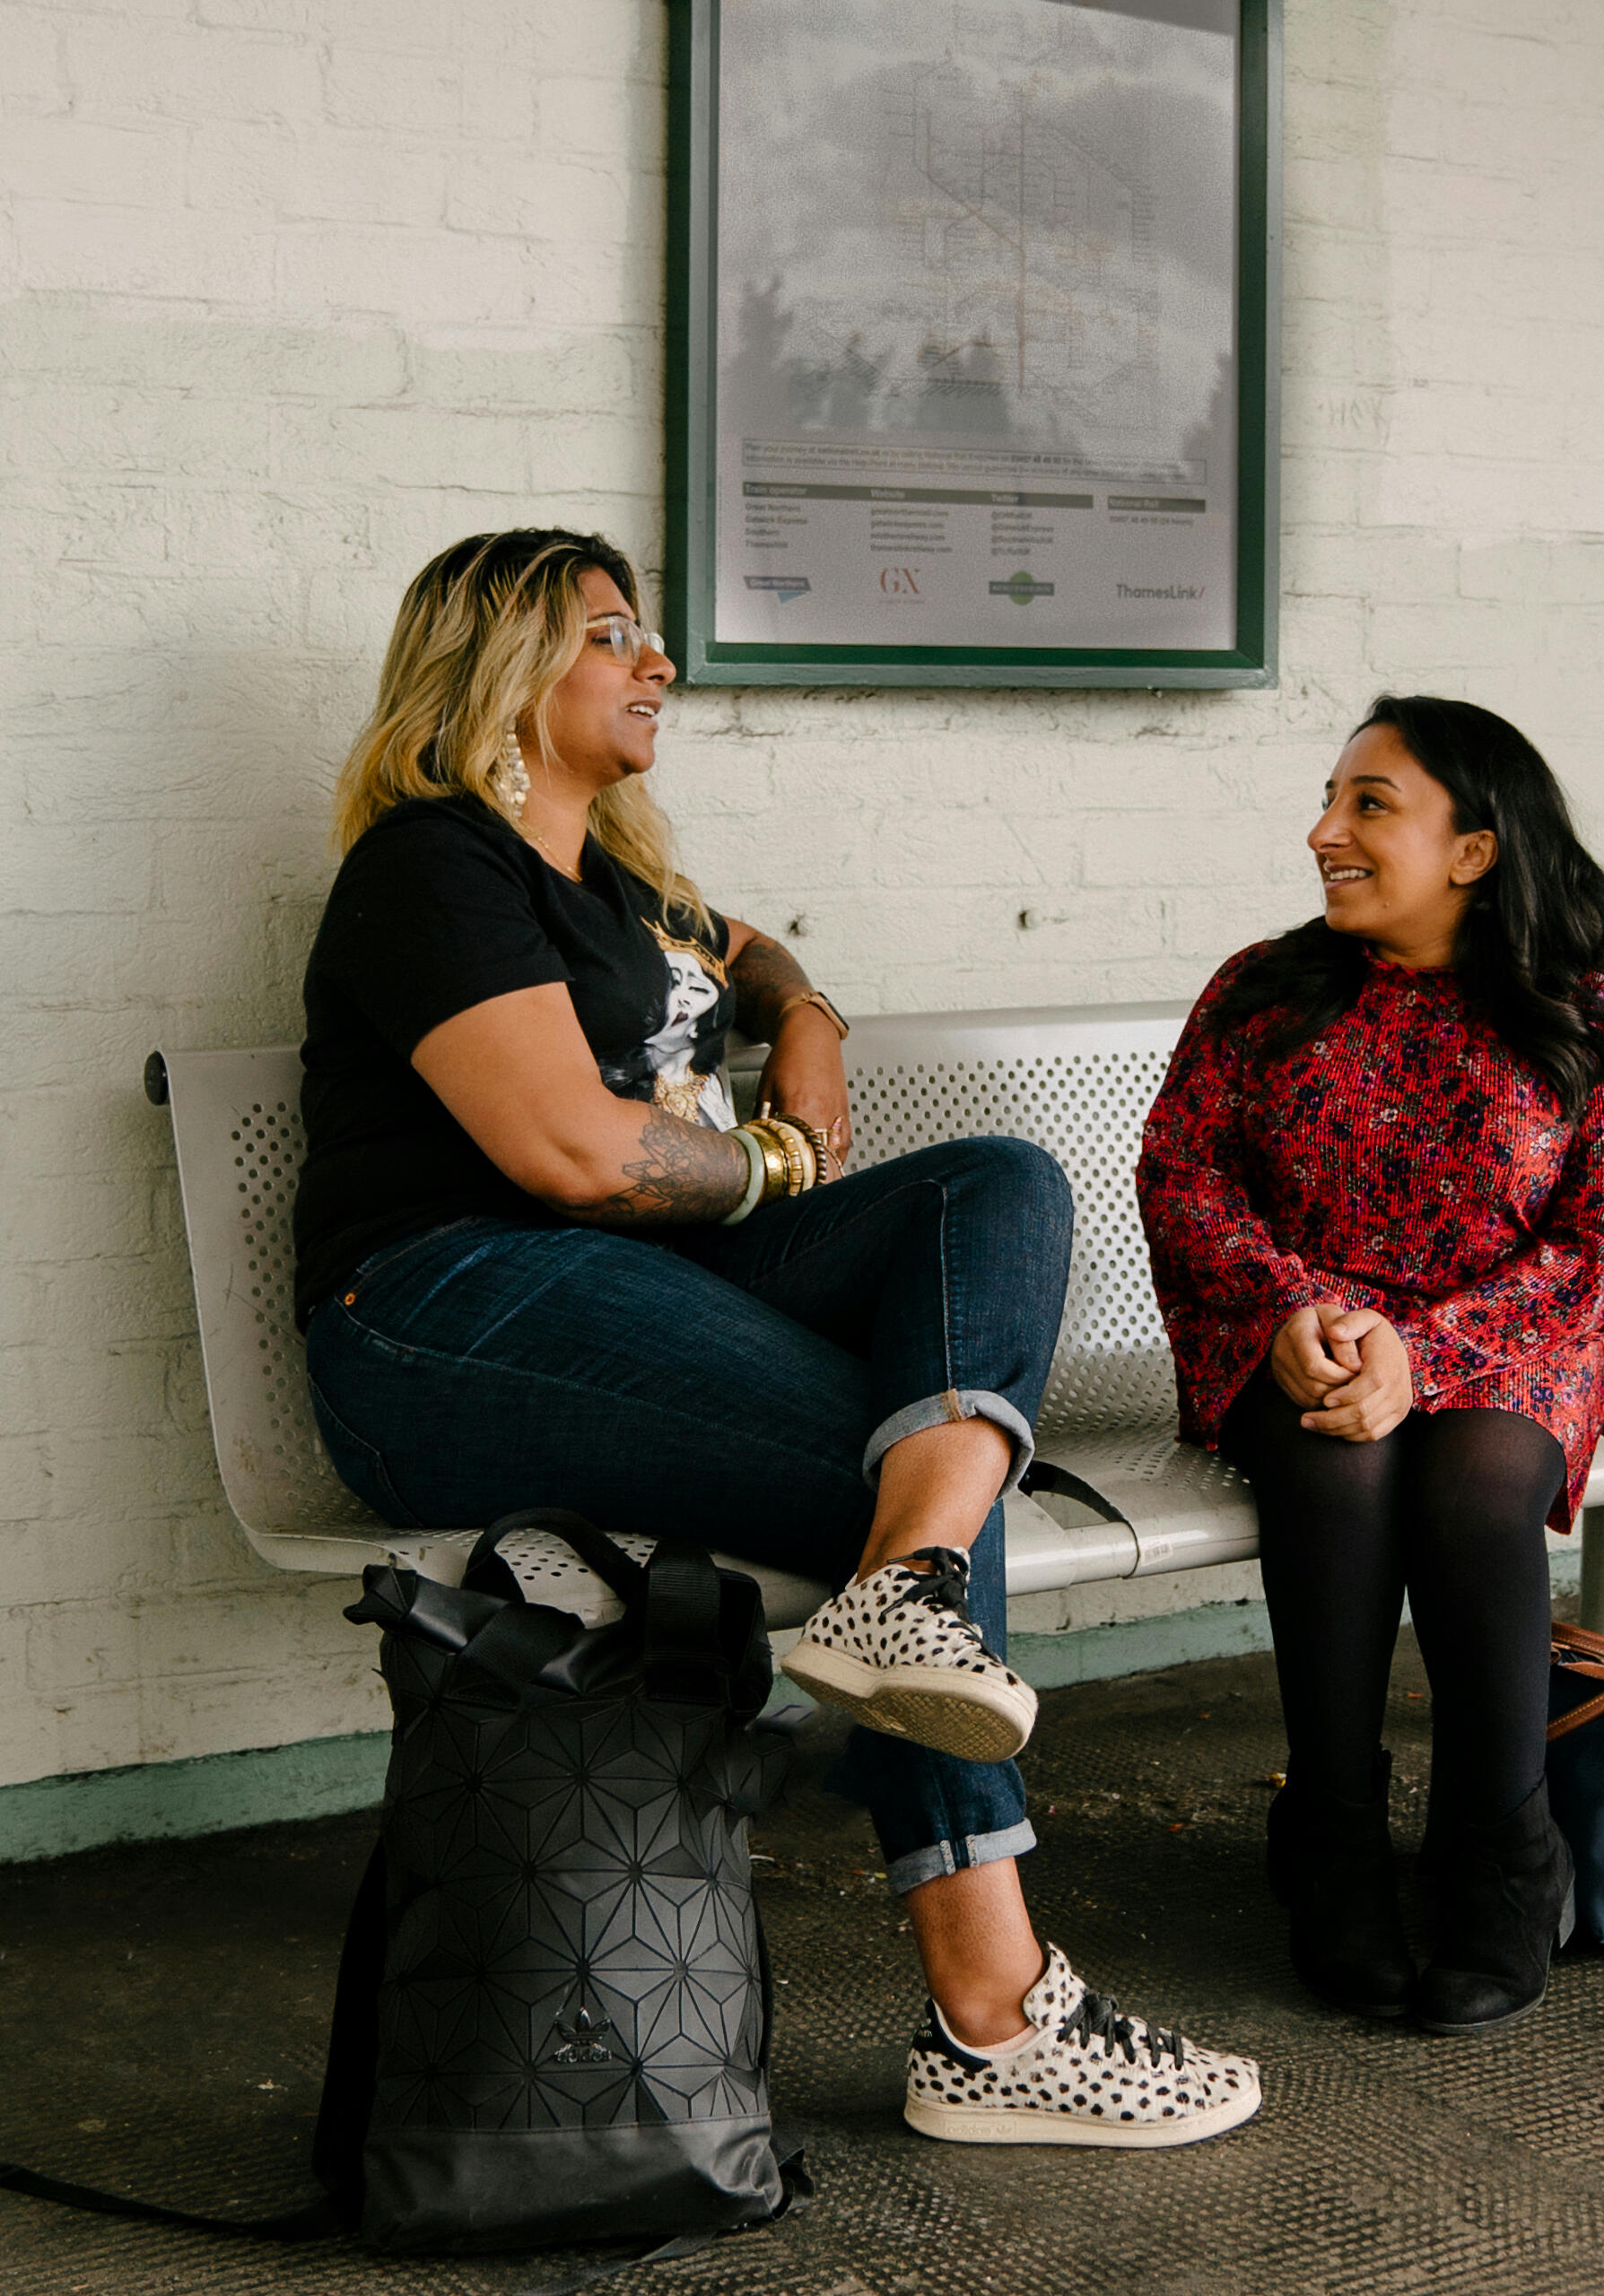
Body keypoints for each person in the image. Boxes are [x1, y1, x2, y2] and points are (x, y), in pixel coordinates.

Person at [293, 528, 1260, 2146]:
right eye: (612, 635)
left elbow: (749, 955)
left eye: (649, 631)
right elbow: (577, 1158)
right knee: (887, 1467)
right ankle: (995, 2016)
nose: (657, 660)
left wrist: (802, 1020)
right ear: (503, 671)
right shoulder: (434, 865)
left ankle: (905, 1598)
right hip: (449, 1313)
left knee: (993, 1187)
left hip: (651, 1290)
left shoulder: (624, 880)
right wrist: (774, 1164)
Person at [1137, 695, 1604, 2037]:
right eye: (1329, 798)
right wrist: (1287, 1312)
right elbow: (1180, 1177)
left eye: (1368, 804)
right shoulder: (1263, 987)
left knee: (1472, 1480)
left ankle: (1501, 1851)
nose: (1323, 831)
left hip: (1507, 1341)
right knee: (1341, 1462)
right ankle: (1328, 1835)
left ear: (1476, 851)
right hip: (1293, 1337)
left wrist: (1424, 1352)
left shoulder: (1593, 1019)